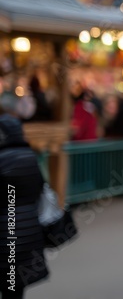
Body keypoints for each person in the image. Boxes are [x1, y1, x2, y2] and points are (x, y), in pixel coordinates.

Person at [0, 115, 49, 298]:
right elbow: (39, 188)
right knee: (15, 285)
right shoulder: (30, 156)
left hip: (5, 230)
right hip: (28, 228)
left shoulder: (2, 158)